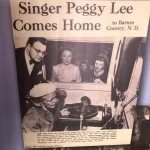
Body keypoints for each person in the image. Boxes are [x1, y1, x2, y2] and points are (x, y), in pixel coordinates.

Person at [15, 37, 47, 118]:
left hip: (28, 102)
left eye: (43, 53)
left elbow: (39, 79)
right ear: (29, 47)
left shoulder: (38, 59)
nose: (41, 55)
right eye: (38, 51)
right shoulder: (13, 55)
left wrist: (51, 88)